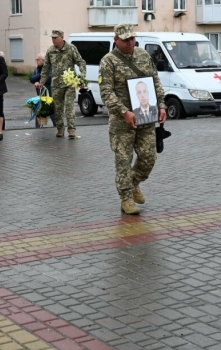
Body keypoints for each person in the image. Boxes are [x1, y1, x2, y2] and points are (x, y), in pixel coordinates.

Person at [99, 23, 167, 216]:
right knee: (123, 161)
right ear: (116, 40)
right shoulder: (108, 61)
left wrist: (161, 105)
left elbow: (155, 81)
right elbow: (106, 92)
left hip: (146, 118)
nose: (130, 42)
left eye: (132, 38)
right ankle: (126, 198)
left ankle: (134, 182)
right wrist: (123, 112)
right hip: (122, 123)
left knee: (149, 158)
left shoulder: (143, 56)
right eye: (125, 39)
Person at [35, 29, 87, 139]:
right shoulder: (50, 51)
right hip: (56, 84)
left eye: (55, 38)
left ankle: (72, 130)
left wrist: (82, 76)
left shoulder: (71, 48)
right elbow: (46, 68)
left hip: (69, 84)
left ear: (62, 37)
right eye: (52, 38)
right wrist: (42, 82)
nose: (53, 40)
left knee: (69, 107)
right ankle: (60, 129)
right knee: (57, 109)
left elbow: (80, 62)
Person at [29, 53, 56, 128]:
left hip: (49, 96)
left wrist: (39, 79)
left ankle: (58, 129)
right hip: (40, 96)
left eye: (38, 60)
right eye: (36, 60)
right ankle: (38, 130)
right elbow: (31, 79)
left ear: (43, 60)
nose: (36, 61)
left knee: (53, 114)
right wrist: (36, 82)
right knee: (38, 113)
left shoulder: (49, 68)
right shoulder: (37, 69)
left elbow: (48, 78)